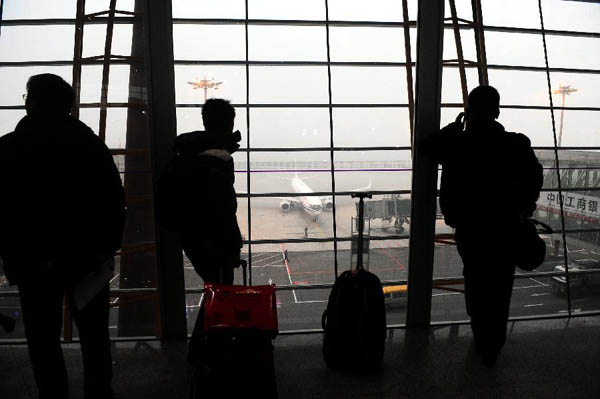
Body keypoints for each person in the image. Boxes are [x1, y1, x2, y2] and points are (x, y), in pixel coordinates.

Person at [0, 74, 126, 398]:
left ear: (32, 103)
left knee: (43, 343)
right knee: (94, 337)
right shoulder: (92, 147)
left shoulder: (10, 148)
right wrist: (105, 251)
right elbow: (114, 202)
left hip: (33, 263)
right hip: (87, 261)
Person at [423, 85, 543, 366]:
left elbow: (428, 148)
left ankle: (481, 334)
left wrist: (455, 126)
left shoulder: (458, 143)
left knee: (476, 282)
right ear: (497, 111)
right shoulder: (516, 143)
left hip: (472, 229)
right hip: (506, 229)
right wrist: (525, 207)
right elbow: (534, 176)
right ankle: (492, 345)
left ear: (468, 110)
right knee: (500, 288)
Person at [158, 98, 242, 285]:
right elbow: (225, 208)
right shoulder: (218, 157)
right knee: (221, 296)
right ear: (230, 124)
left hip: (192, 239)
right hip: (215, 243)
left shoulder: (187, 153)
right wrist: (234, 247)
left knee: (215, 294)